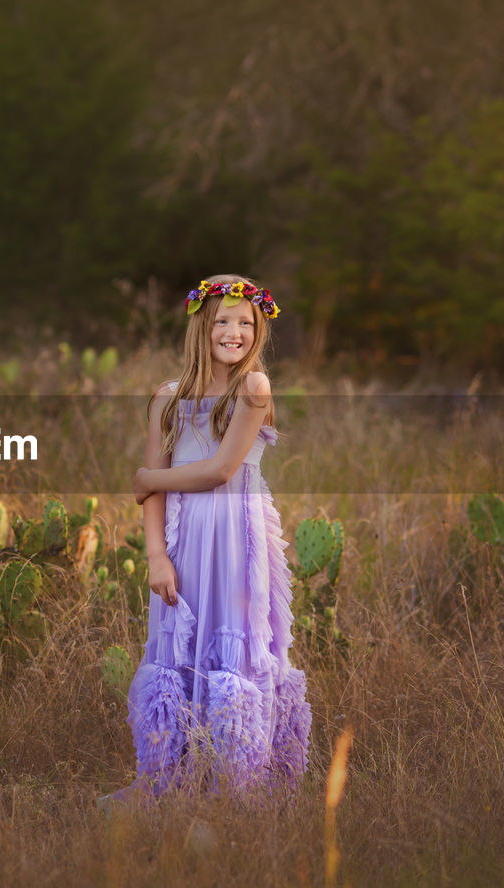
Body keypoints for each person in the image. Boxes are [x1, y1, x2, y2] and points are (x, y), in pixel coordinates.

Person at [120, 273, 311, 799]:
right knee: (178, 648)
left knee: (234, 648)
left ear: (258, 332)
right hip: (184, 539)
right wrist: (156, 555)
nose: (235, 331)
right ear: (202, 326)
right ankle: (170, 780)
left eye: (246, 323)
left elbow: (221, 470)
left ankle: (238, 786)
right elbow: (154, 497)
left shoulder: (254, 388)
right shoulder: (166, 398)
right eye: (223, 321)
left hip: (234, 542)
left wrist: (147, 479)